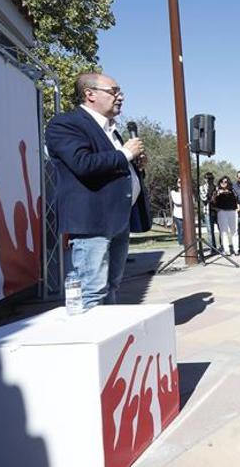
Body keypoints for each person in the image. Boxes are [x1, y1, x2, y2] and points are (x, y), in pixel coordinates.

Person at [45, 73, 151, 307]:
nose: (120, 96)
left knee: (111, 285)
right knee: (91, 291)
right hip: (92, 222)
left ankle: (109, 339)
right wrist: (125, 154)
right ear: (90, 94)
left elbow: (113, 166)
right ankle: (88, 339)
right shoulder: (66, 124)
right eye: (114, 91)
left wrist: (134, 165)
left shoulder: (111, 130)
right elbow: (82, 163)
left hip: (117, 220)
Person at [213, 176, 239, 255]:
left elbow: (237, 200)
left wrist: (238, 208)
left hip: (232, 211)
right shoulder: (216, 191)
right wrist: (216, 208)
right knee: (223, 231)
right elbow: (212, 201)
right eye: (222, 182)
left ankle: (236, 249)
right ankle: (226, 249)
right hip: (222, 212)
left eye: (226, 182)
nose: (224, 183)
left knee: (234, 231)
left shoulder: (232, 191)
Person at [200, 172, 218, 249]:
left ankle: (222, 246)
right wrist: (211, 194)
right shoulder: (202, 188)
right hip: (208, 211)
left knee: (221, 229)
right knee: (210, 231)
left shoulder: (216, 187)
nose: (210, 180)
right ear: (205, 179)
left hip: (217, 211)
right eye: (208, 178)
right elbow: (204, 199)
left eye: (211, 178)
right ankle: (213, 248)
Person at [170, 178, 185, 245]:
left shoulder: (187, 190)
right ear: (176, 183)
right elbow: (177, 202)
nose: (181, 183)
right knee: (181, 230)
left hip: (186, 214)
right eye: (179, 182)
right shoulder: (173, 192)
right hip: (178, 215)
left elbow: (192, 200)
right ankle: (181, 244)